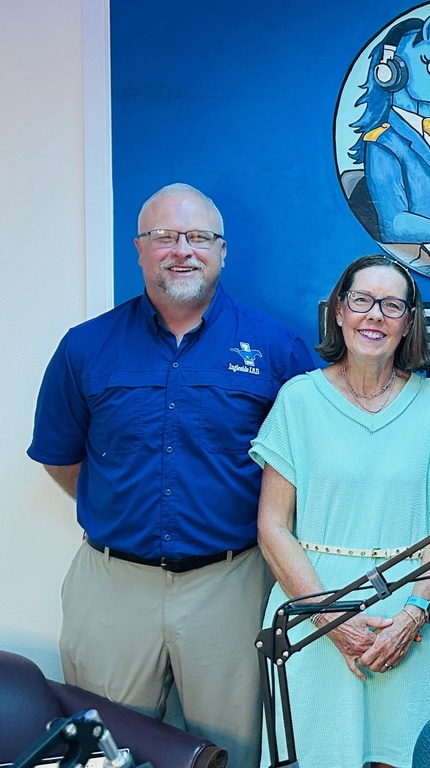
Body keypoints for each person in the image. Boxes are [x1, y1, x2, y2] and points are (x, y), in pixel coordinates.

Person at [27, 183, 314, 767]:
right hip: (113, 586)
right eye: (164, 236)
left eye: (198, 237)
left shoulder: (277, 349)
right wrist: (117, 510)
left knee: (229, 753)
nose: (182, 249)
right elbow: (61, 455)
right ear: (140, 249)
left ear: (222, 251)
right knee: (102, 752)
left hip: (231, 585)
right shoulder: (85, 348)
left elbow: (305, 467)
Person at [251, 255, 430, 768]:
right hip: (311, 608)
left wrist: (415, 614)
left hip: (411, 609)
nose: (374, 315)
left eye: (391, 305)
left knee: (405, 757)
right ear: (338, 311)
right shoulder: (298, 400)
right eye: (362, 300)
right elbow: (272, 526)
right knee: (316, 755)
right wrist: (330, 616)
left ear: (408, 323)